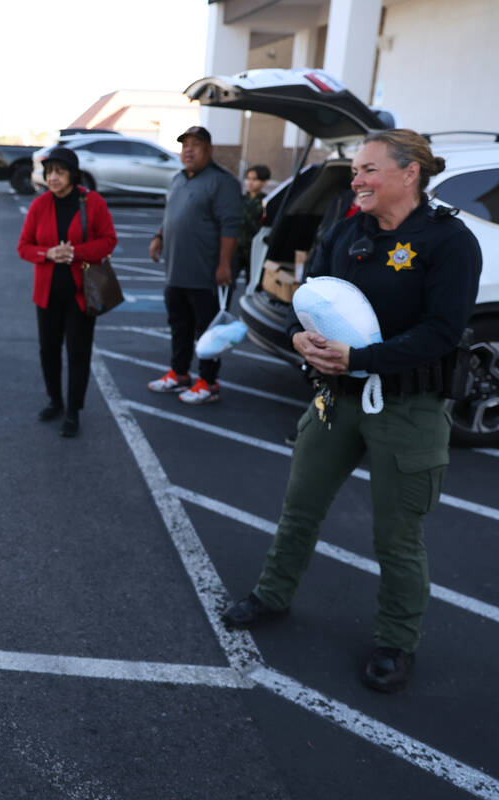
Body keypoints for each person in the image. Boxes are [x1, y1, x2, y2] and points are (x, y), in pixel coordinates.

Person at [220, 129, 482, 694]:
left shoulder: (449, 241)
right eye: (356, 170)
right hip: (335, 398)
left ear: (410, 173)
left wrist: (360, 358)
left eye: (368, 170)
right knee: (299, 508)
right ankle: (271, 595)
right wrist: (298, 337)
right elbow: (308, 298)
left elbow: (441, 332)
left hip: (407, 407)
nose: (355, 179)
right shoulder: (346, 230)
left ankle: (396, 642)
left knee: (397, 536)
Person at [16, 147, 117, 437]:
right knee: (48, 350)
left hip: (81, 293)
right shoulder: (40, 204)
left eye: (59, 172)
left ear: (73, 174)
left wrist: (75, 253)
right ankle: (55, 401)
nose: (53, 178)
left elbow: (109, 240)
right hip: (47, 294)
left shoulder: (92, 202)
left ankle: (73, 410)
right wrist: (47, 253)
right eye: (49, 172)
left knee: (78, 353)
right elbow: (23, 247)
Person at [147, 125, 241, 404]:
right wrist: (159, 237)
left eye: (195, 145)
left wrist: (224, 265)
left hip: (206, 274)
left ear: (208, 150)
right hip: (176, 271)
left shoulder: (222, 182)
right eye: (184, 145)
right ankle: (179, 374)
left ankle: (208, 382)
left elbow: (231, 226)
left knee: (208, 331)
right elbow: (171, 215)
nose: (188, 150)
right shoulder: (177, 179)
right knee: (180, 326)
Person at [233, 163, 270, 295]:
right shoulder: (240, 199)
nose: (250, 182)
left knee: (253, 284)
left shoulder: (266, 202)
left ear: (264, 182)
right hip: (237, 247)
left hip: (254, 249)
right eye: (248, 178)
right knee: (227, 282)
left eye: (254, 179)